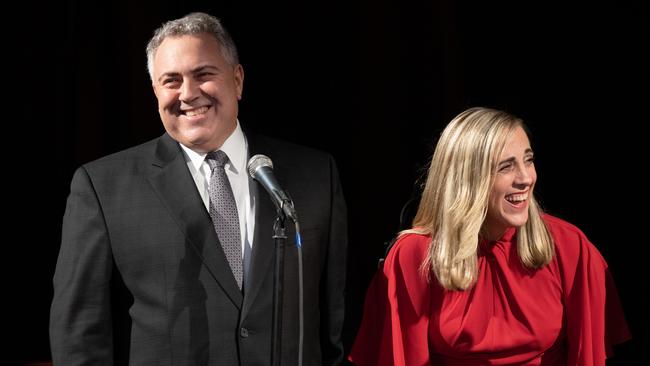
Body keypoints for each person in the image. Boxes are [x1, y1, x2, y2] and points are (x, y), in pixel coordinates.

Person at [50, 12, 347, 366]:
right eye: (171, 81)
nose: (188, 94)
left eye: (203, 75)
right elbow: (79, 334)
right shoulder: (103, 187)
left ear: (237, 80)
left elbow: (337, 322)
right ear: (155, 91)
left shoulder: (314, 175)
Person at [348, 107, 630, 365]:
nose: (525, 178)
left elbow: (588, 357)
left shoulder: (569, 245)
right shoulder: (415, 255)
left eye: (528, 160)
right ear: (467, 177)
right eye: (505, 166)